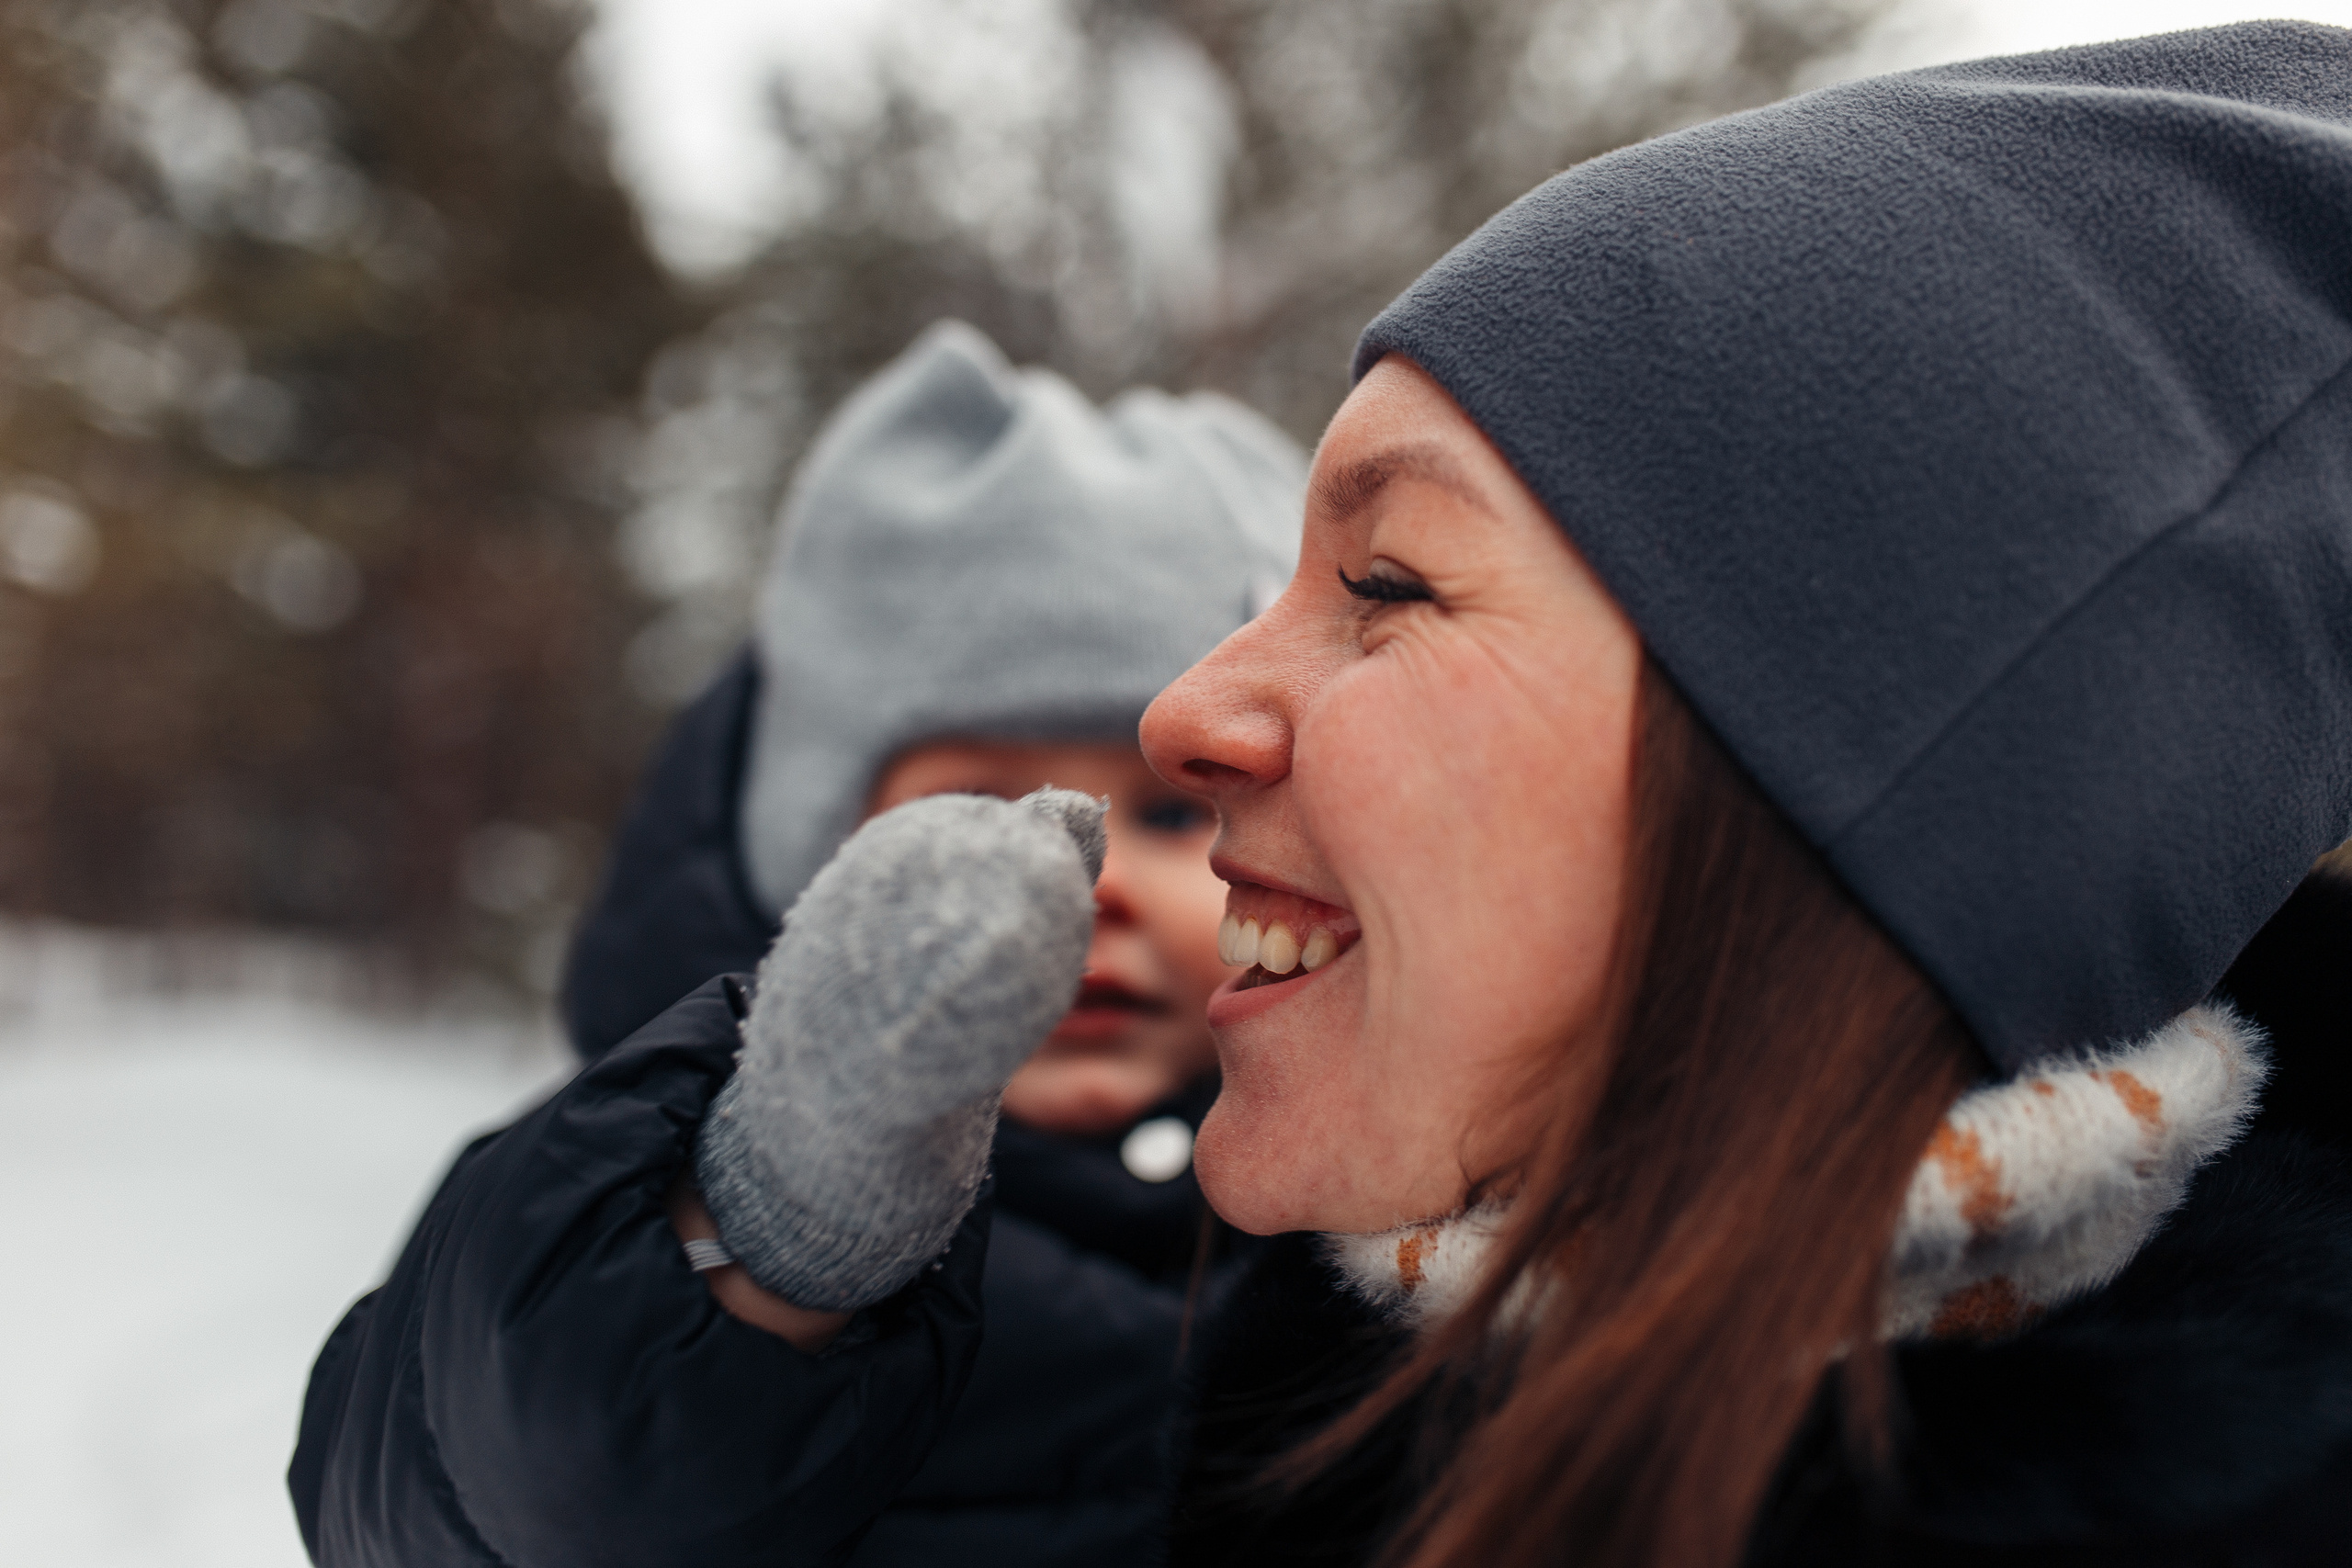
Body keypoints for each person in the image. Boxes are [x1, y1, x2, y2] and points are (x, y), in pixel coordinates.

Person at [293, 23, 2352, 1568]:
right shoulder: (1346, 1349)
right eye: (978, 790)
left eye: (1381, 582)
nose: (1186, 724)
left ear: (1846, 734)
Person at [290, 320, 1305, 1567]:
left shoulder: (1362, 1218)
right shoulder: (627, 1191)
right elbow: (486, 1485)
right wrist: (783, 1218)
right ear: (810, 855)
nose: (1091, 881)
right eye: (979, 810)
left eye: (1168, 812)